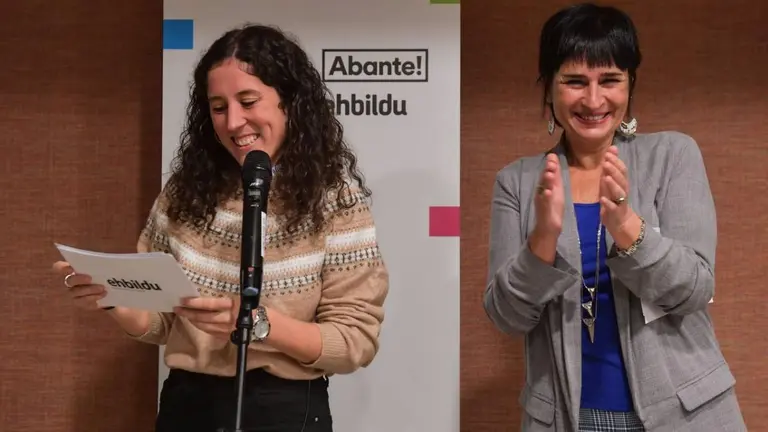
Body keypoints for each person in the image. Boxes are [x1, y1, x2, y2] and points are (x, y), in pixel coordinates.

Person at [52, 23, 389, 432]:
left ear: (290, 103)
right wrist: (115, 298)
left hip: (285, 409)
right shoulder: (186, 191)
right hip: (187, 405)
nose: (233, 122)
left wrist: (255, 324)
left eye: (248, 101)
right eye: (217, 106)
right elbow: (161, 322)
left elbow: (354, 342)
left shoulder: (335, 198)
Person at [482, 4, 745, 432]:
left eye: (609, 80)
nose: (593, 99)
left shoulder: (673, 156)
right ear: (549, 89)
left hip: (686, 413)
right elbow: (506, 317)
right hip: (566, 418)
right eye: (574, 81)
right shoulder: (517, 181)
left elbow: (695, 288)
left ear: (630, 85)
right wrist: (542, 241)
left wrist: (626, 226)